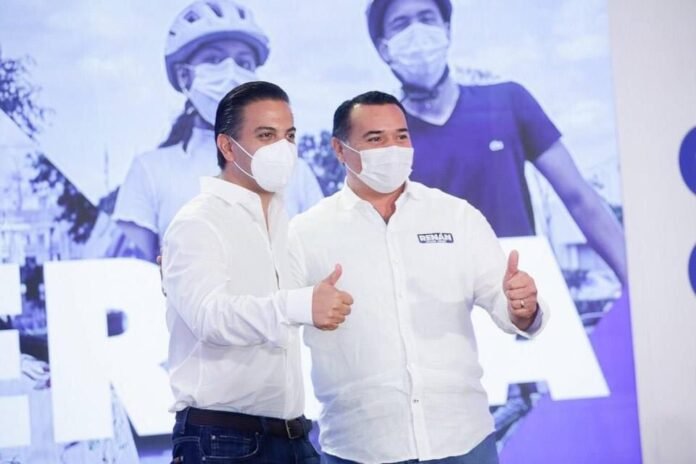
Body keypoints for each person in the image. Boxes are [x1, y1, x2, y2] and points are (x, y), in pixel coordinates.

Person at [288, 91, 547, 464]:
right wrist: (304, 305)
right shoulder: (305, 232)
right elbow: (273, 316)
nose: (393, 149)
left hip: (463, 439)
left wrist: (523, 307)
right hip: (360, 447)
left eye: (401, 136)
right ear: (340, 149)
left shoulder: (457, 216)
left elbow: (509, 309)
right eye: (375, 139)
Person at [365, 0, 627, 285]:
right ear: (384, 48)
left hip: (520, 293)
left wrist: (637, 285)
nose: (417, 32)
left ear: (447, 29)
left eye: (427, 18)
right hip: (435, 300)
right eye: (401, 24)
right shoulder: (382, 141)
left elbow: (580, 199)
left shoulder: (508, 102)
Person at [161, 81, 353, 464]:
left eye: (289, 135)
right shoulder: (197, 221)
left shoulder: (282, 221)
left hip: (293, 436)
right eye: (266, 135)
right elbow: (210, 316)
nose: (282, 148)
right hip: (222, 440)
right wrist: (300, 306)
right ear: (228, 146)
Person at [112, 0, 323, 262]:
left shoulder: (295, 172)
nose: (231, 73)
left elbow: (320, 261)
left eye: (243, 62)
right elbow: (133, 273)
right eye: (214, 59)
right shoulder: (150, 171)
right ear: (184, 76)